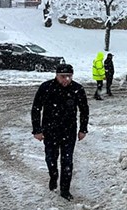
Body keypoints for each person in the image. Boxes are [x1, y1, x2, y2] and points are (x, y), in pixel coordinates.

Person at [31, 64, 89, 201]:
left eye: (69, 76)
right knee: (51, 157)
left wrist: (83, 129)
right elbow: (36, 108)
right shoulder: (46, 88)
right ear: (56, 75)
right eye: (63, 76)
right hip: (50, 130)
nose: (66, 80)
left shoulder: (77, 89)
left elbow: (84, 109)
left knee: (67, 161)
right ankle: (53, 175)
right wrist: (37, 130)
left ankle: (65, 189)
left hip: (69, 130)